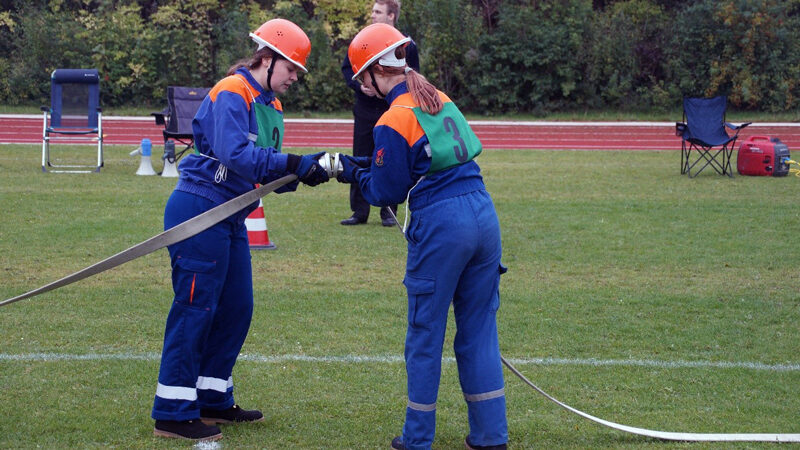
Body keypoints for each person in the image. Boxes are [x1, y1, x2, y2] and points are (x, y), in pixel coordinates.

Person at [151, 18, 329, 441]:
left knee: (236, 307)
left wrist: (307, 171)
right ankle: (173, 412)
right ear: (267, 58)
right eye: (291, 70)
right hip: (200, 209)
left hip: (232, 214)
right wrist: (291, 163)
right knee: (195, 308)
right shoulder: (233, 90)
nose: (294, 80)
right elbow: (236, 155)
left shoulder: (273, 104)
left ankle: (213, 397)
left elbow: (263, 169)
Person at [338, 23, 508, 450]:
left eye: (363, 77)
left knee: (424, 334)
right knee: (479, 331)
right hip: (483, 213)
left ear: (377, 71)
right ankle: (490, 436)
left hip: (442, 223)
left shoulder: (392, 118)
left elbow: (385, 192)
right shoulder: (441, 98)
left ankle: (416, 439)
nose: (363, 86)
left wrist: (349, 170)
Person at [340, 0, 419, 227]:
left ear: (391, 16)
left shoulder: (406, 45)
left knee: (390, 157)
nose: (373, 15)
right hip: (365, 109)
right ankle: (359, 211)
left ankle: (389, 211)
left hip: (391, 109)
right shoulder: (362, 41)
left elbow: (413, 73)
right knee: (360, 156)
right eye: (372, 11)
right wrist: (360, 86)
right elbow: (347, 70)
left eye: (378, 11)